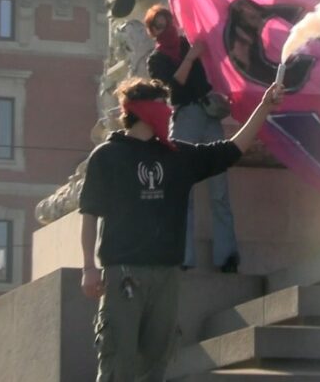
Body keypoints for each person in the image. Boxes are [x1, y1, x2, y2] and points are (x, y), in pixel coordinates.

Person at [79, 76, 283, 381]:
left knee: (157, 363)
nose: (169, 113)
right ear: (144, 110)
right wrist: (88, 268)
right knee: (117, 361)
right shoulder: (108, 156)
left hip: (167, 275)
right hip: (123, 272)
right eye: (163, 107)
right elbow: (89, 214)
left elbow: (230, 150)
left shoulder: (177, 156)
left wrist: (265, 106)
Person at [144, 5, 239, 272]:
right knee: (183, 190)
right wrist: (190, 58)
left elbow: (215, 41)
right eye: (158, 26)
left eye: (167, 22)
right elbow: (173, 88)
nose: (165, 29)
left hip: (209, 114)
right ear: (152, 32)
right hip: (184, 117)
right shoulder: (156, 59)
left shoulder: (188, 43)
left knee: (220, 190)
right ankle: (184, 256)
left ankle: (227, 256)